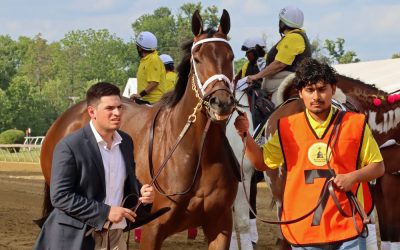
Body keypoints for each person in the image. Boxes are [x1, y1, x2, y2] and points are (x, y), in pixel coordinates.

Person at [234, 58, 385, 249]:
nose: (316, 96)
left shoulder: (355, 124)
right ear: (300, 93)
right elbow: (262, 163)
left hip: (347, 229)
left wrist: (353, 177)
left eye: (322, 89)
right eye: (310, 90)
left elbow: (378, 166)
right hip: (303, 232)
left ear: (333, 89)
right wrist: (245, 135)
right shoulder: (286, 128)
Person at [34, 82, 155, 250]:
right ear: (92, 112)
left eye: (120, 107)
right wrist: (105, 212)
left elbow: (123, 181)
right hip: (77, 238)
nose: (117, 113)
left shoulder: (126, 142)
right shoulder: (69, 146)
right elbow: (60, 196)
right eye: (110, 108)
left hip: (115, 237)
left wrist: (141, 192)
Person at [247, 5, 311, 105]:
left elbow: (279, 64)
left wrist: (256, 76)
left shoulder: (293, 37)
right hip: (284, 80)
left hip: (288, 81)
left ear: (282, 23)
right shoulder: (294, 36)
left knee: (271, 112)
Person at [130, 31, 166, 105]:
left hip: (152, 102)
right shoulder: (146, 60)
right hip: (145, 100)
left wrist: (139, 95)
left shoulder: (153, 60)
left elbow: (154, 83)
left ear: (140, 49)